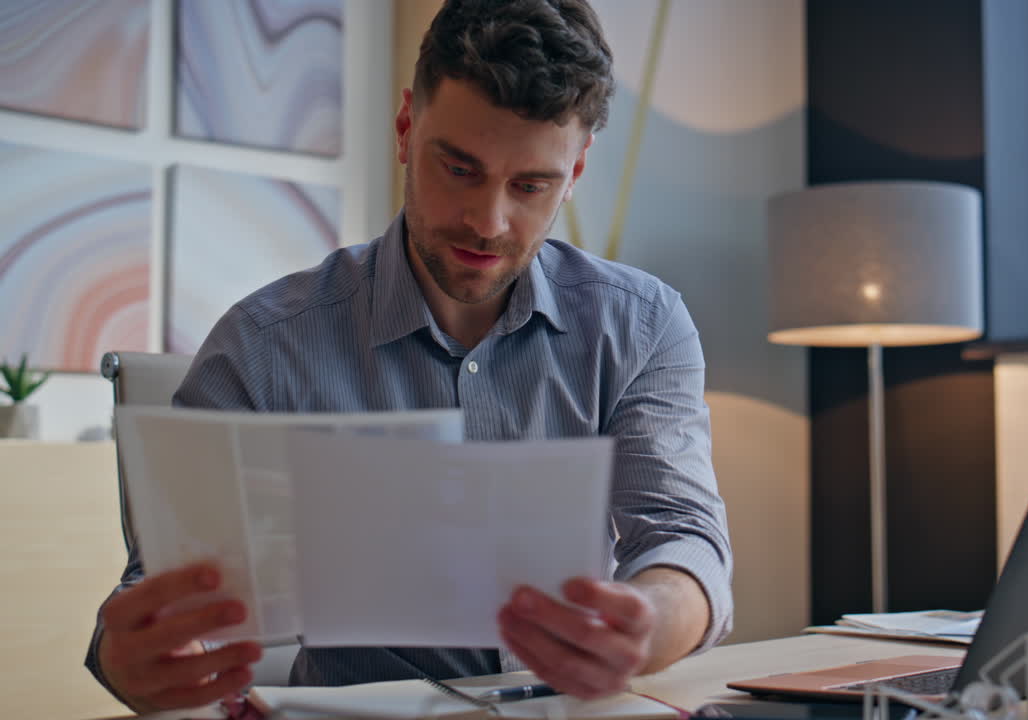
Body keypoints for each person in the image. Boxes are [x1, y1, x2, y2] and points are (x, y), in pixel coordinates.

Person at [84, 0, 733, 712]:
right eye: (459, 168)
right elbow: (153, 597)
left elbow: (683, 538)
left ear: (574, 170)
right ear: (404, 129)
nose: (488, 222)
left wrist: (650, 625)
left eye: (531, 186)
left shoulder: (642, 324)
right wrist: (132, 657)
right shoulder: (265, 343)